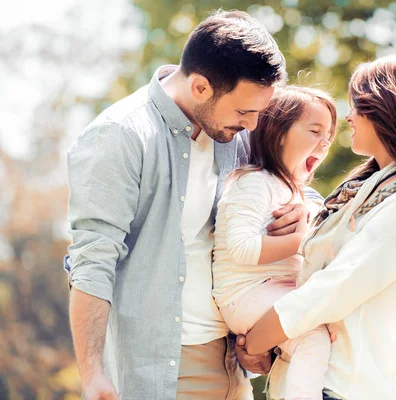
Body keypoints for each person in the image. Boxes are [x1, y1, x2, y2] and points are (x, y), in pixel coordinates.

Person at [64, 10, 319, 400]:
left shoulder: (236, 130)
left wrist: (301, 207)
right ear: (200, 87)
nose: (253, 126)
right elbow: (92, 260)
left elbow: (288, 177)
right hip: (158, 369)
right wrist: (93, 373)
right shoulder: (120, 136)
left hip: (232, 363)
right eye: (244, 112)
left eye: (259, 113)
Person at [241, 53, 396, 399]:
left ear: (391, 110)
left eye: (359, 105)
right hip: (309, 381)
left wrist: (256, 341)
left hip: (342, 388)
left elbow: (330, 291)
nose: (349, 117)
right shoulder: (363, 196)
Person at [212, 86, 337, 400]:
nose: (324, 143)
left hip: (273, 289)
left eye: (330, 136)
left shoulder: (294, 192)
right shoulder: (253, 181)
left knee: (322, 329)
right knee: (312, 336)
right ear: (279, 132)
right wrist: (304, 240)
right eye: (314, 131)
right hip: (244, 294)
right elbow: (242, 248)